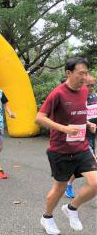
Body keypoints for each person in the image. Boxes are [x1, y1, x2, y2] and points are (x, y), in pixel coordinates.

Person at [35, 57, 97, 235]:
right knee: (59, 188)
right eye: (81, 74)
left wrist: (87, 124)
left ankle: (72, 208)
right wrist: (64, 129)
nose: (85, 77)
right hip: (60, 150)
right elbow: (39, 118)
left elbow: (76, 114)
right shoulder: (58, 94)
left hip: (81, 147)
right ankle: (47, 217)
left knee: (95, 183)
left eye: (86, 73)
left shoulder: (84, 91)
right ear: (69, 73)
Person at [64, 74, 97, 199]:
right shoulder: (76, 99)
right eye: (89, 85)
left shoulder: (95, 97)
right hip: (81, 136)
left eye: (93, 85)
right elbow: (73, 117)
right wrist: (88, 124)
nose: (91, 88)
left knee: (83, 166)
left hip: (93, 136)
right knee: (93, 163)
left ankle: (68, 183)